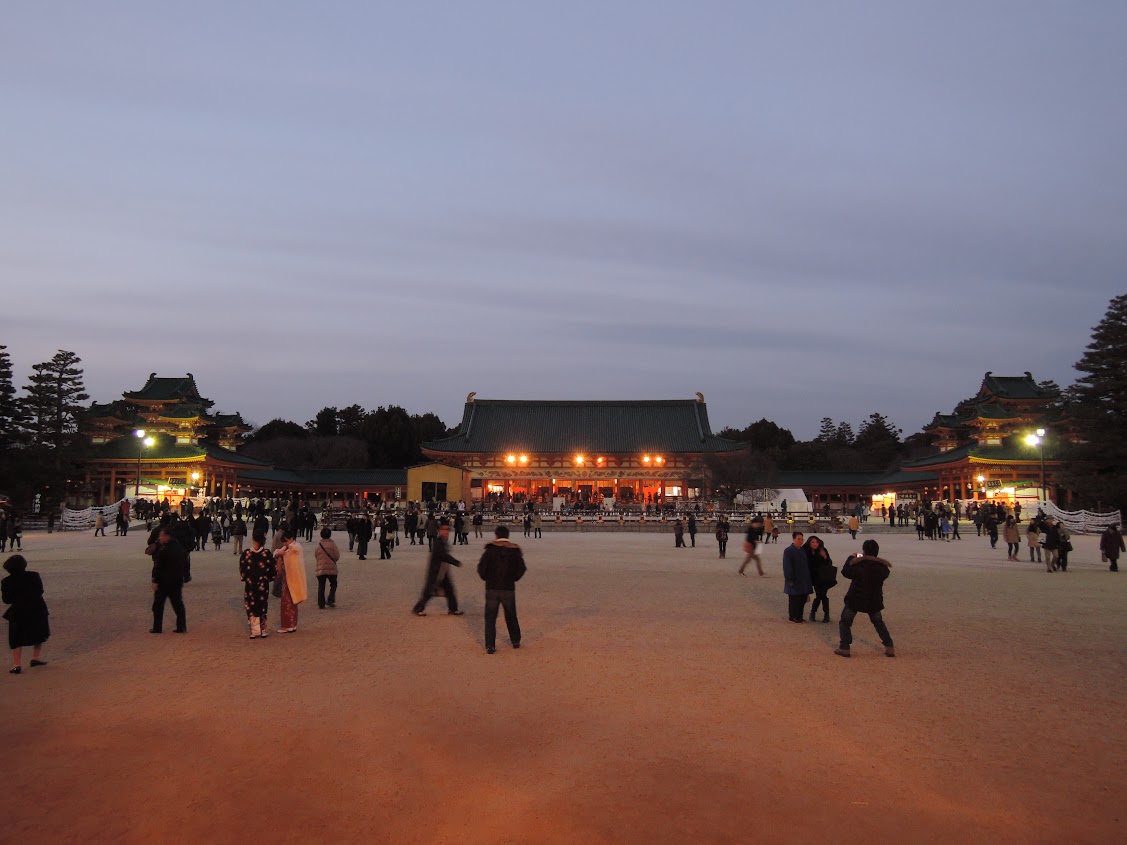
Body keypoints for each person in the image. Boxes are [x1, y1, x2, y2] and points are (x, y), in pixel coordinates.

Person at [834, 539, 895, 658]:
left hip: (856, 598)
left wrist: (851, 558)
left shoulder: (858, 564)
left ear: (864, 551)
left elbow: (845, 572)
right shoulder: (882, 567)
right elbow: (885, 574)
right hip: (874, 599)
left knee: (845, 622)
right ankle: (889, 646)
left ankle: (845, 647)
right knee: (878, 623)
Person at [477, 524, 526, 654]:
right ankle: (515, 640)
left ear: (496, 535)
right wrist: (514, 578)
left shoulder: (490, 550)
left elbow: (481, 568)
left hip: (492, 588)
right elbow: (522, 568)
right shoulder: (514, 550)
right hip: (508, 588)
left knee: (490, 617)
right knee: (511, 616)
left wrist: (486, 578)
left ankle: (490, 645)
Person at [3, 555, 50, 674]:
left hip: (18, 610)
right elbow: (40, 591)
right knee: (39, 632)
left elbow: (6, 600)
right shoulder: (34, 575)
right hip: (37, 607)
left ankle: (17, 665)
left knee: (16, 637)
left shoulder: (6, 581)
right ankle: (35, 658)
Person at [412, 523, 463, 617]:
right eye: (444, 530)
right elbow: (443, 555)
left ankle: (453, 609)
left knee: (449, 590)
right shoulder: (438, 542)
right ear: (440, 531)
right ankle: (418, 608)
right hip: (436, 571)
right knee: (429, 591)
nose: (446, 532)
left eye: (448, 530)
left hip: (442, 570)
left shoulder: (443, 541)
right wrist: (455, 562)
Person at [149, 526, 188, 634]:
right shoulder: (180, 548)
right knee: (178, 604)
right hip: (176, 580)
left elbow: (158, 566)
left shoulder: (163, 550)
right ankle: (181, 626)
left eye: (161, 536)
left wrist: (155, 580)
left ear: (167, 537)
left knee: (158, 605)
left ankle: (157, 627)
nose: (160, 538)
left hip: (163, 581)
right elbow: (185, 564)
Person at [239, 532, 276, 638]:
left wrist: (245, 578)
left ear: (252, 539)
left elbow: (242, 569)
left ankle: (254, 630)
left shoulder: (246, 554)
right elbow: (273, 570)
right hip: (263, 585)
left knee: (251, 605)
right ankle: (263, 629)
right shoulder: (267, 554)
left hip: (250, 584)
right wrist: (268, 578)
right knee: (262, 605)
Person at [273, 530, 308, 633]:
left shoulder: (295, 547)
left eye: (286, 541)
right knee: (291, 602)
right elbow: (276, 552)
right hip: (290, 578)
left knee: (287, 602)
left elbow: (291, 550)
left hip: (291, 578)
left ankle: (288, 625)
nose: (285, 543)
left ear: (291, 539)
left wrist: (282, 551)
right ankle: (292, 624)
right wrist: (281, 551)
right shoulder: (291, 547)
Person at [804, 535, 836, 623]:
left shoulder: (822, 550)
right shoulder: (806, 551)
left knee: (821, 595)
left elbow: (829, 563)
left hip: (823, 577)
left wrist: (825, 556)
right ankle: (822, 614)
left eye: (816, 542)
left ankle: (816, 613)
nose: (815, 544)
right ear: (809, 543)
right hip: (813, 577)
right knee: (821, 595)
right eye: (813, 542)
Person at [782, 531, 813, 623]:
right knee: (794, 599)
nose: (800, 541)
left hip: (803, 579)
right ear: (793, 539)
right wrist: (789, 579)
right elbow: (787, 566)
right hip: (794, 579)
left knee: (802, 598)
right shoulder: (788, 551)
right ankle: (793, 616)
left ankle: (799, 616)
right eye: (798, 539)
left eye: (801, 539)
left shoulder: (802, 550)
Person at [314, 528, 341, 609]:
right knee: (333, 584)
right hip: (331, 567)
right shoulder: (332, 544)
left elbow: (316, 555)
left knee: (321, 586)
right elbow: (337, 556)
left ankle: (321, 603)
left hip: (321, 567)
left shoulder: (319, 545)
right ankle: (330, 599)